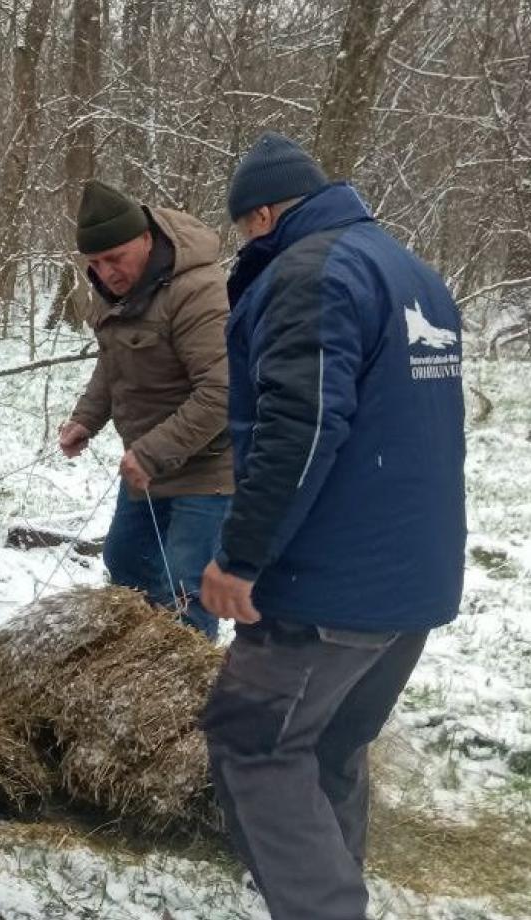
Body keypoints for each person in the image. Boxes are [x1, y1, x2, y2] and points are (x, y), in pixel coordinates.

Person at [199, 132, 466, 920]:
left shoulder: (309, 272)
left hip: (329, 591)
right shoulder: (414, 272)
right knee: (329, 749)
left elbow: (301, 426)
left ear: (266, 214)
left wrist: (240, 557)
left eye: (247, 230)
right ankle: (331, 886)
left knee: (252, 741)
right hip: (411, 581)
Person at [58, 179, 233, 638]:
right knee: (125, 561)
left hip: (209, 466)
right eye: (94, 263)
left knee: (185, 585)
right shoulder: (116, 291)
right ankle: (137, 665)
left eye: (115, 258)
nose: (106, 272)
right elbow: (114, 362)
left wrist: (152, 452)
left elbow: (222, 391)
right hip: (147, 464)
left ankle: (183, 697)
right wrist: (86, 419)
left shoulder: (196, 290)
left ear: (146, 238)